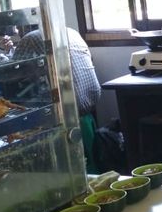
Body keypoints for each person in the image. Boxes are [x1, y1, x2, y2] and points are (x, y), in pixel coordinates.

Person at [13, 26, 102, 172]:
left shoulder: (29, 38)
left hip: (65, 115)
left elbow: (14, 72)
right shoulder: (71, 31)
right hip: (88, 104)